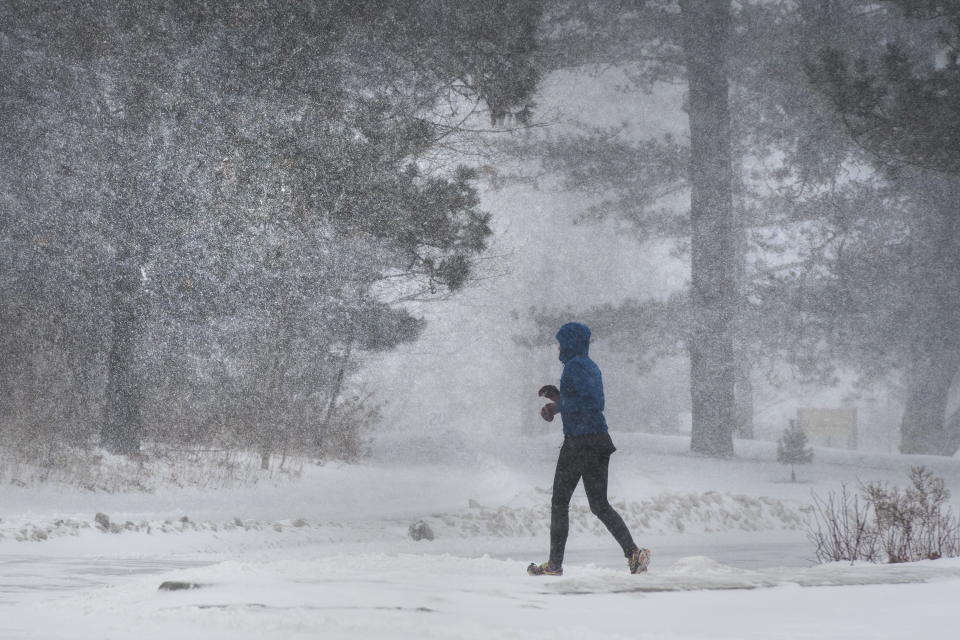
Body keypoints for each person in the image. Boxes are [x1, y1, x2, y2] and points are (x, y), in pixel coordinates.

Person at [527, 322, 650, 576]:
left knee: (560, 502)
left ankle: (554, 565)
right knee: (599, 505)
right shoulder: (587, 365)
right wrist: (559, 402)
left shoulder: (576, 366)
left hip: (580, 442)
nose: (558, 348)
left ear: (571, 342)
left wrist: (558, 404)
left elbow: (594, 402)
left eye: (561, 342)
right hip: (598, 440)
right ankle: (633, 554)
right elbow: (584, 400)